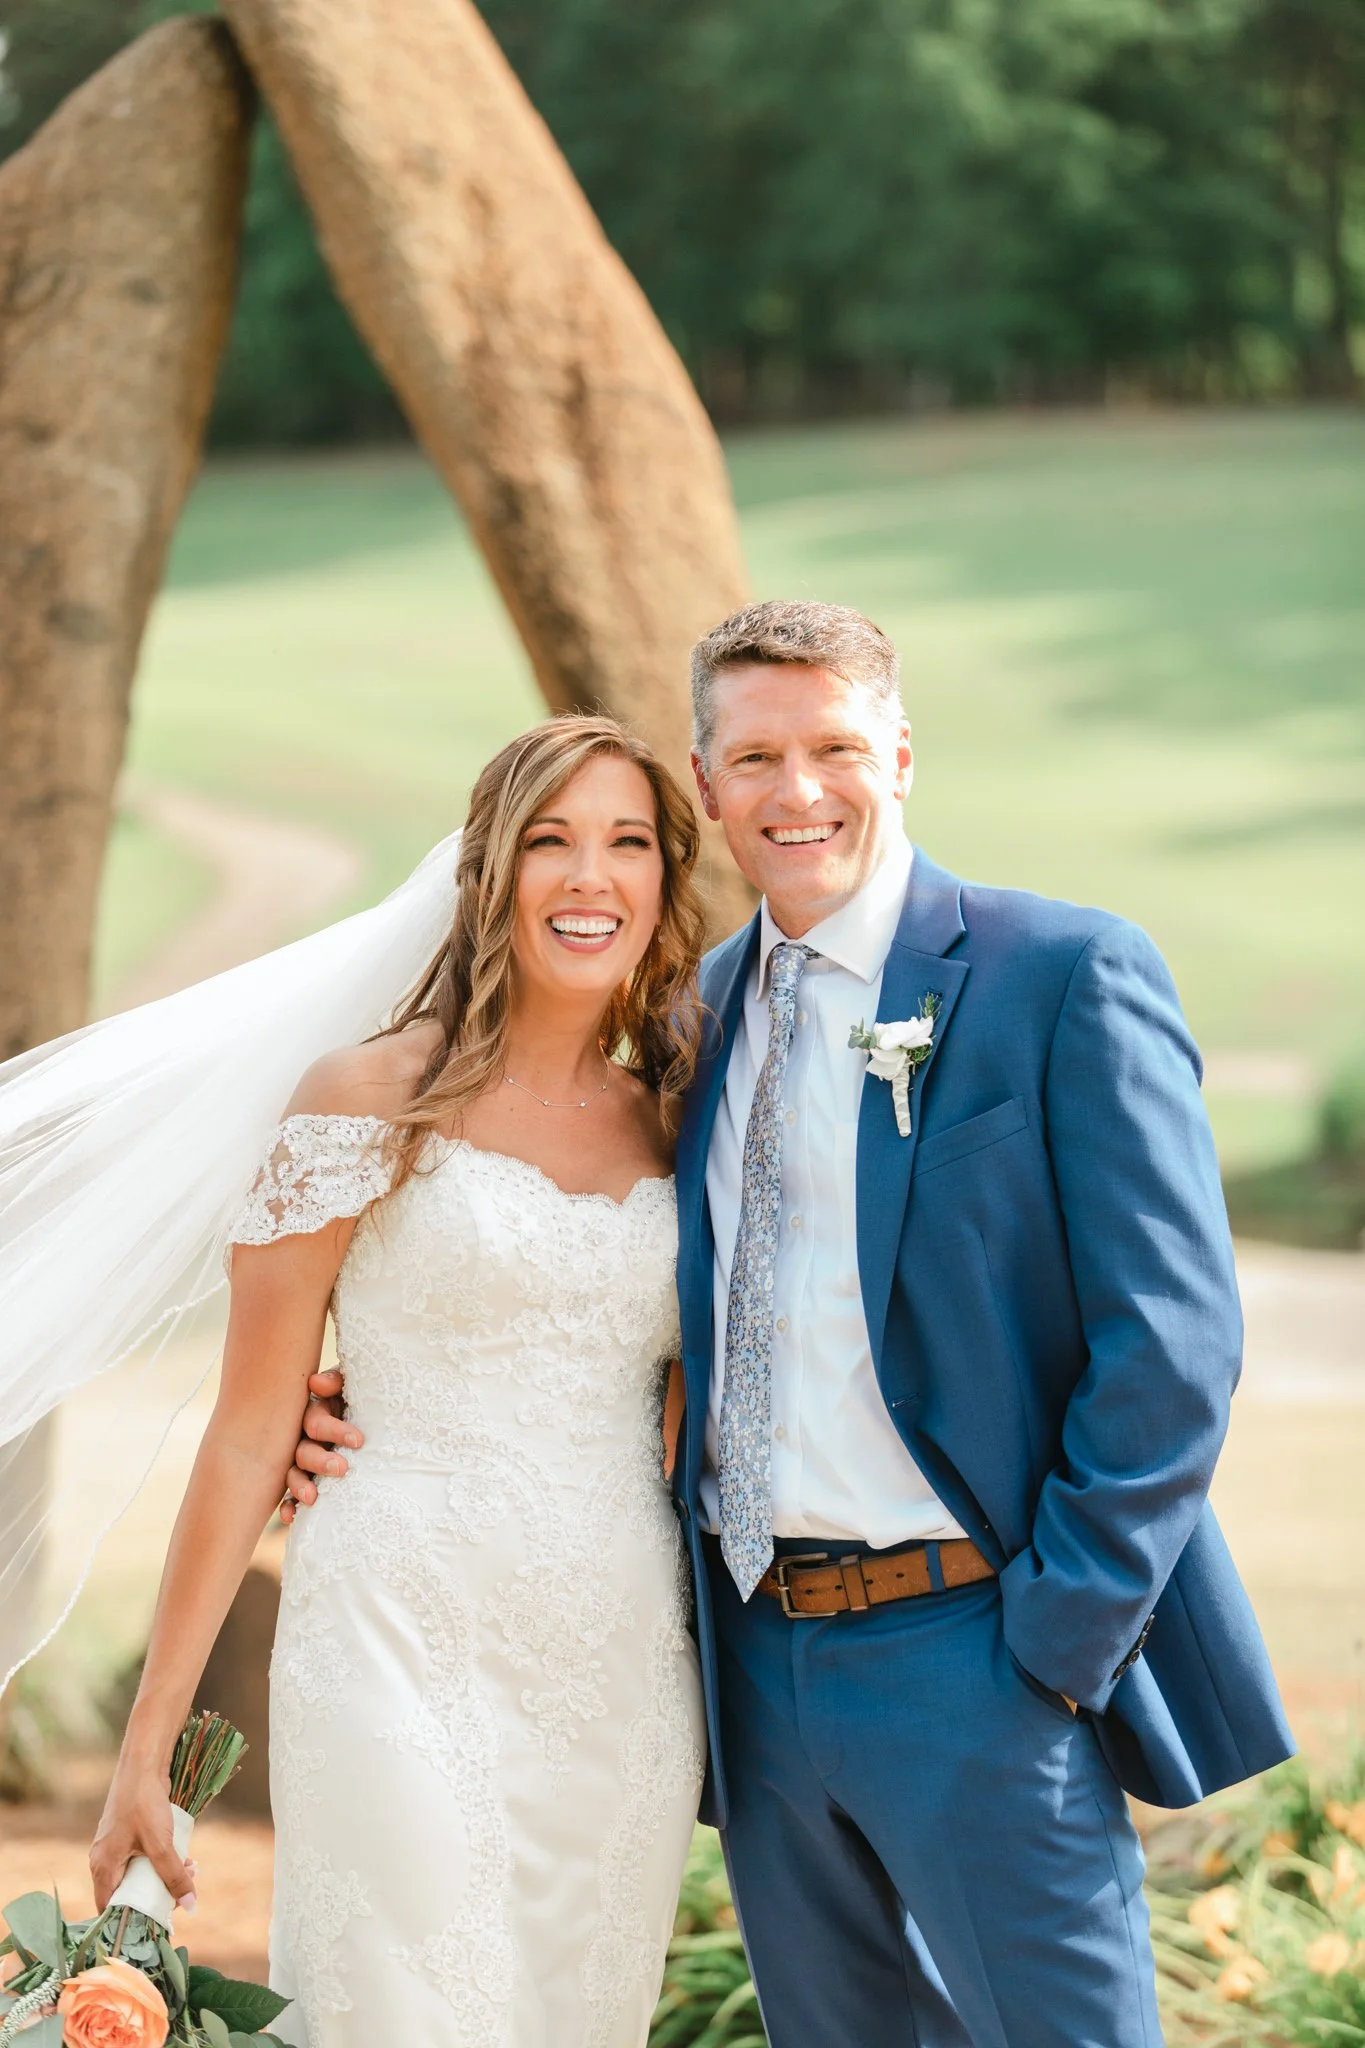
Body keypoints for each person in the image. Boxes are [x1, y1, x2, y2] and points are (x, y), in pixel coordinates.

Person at [291, 600, 1294, 2048]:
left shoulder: (1060, 975)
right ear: (708, 786)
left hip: (979, 1651)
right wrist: (358, 1398)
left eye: (835, 748)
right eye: (756, 757)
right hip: (754, 1669)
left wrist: (1057, 1641)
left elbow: (1175, 1343)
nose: (797, 790)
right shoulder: (690, 1022)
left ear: (902, 756)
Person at [89, 715, 710, 2048]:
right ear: (486, 873)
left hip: (618, 1657)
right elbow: (249, 1430)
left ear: (666, 880)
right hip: (391, 1631)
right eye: (550, 842)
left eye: (627, 844)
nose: (589, 877)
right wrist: (151, 1743)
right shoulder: (364, 1098)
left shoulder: (683, 1122)